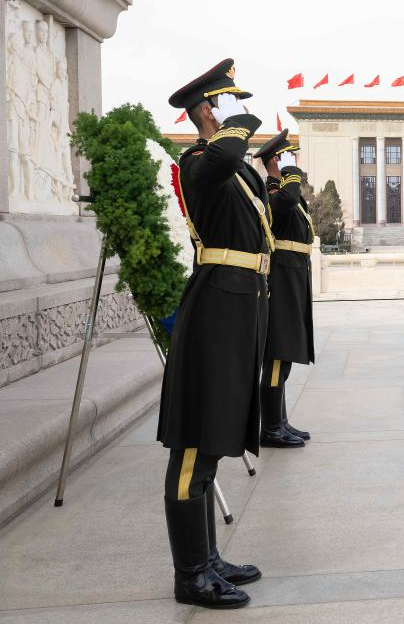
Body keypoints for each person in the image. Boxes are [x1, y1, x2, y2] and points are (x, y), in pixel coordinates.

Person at [159, 59, 273, 609]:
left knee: (214, 438)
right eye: (224, 105)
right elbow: (228, 151)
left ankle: (208, 558)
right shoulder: (197, 161)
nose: (235, 116)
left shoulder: (233, 169)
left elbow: (259, 192)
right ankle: (190, 575)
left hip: (239, 307)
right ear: (206, 109)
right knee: (192, 448)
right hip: (214, 310)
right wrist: (240, 121)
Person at [253, 130, 316, 447]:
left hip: (293, 276)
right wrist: (290, 171)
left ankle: (281, 421)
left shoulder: (284, 192)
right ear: (276, 160)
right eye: (290, 157)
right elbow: (288, 200)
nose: (296, 162)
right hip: (281, 279)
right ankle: (270, 429)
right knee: (277, 357)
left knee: (285, 356)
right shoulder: (273, 193)